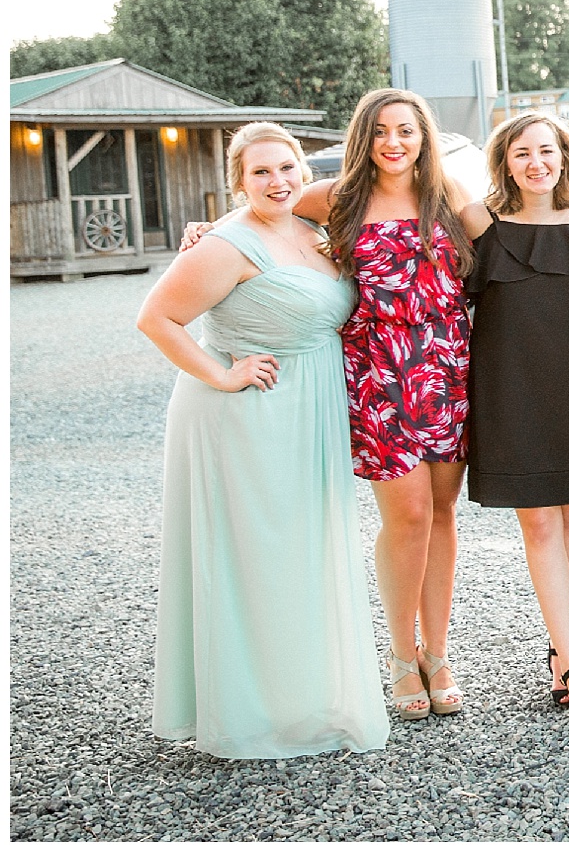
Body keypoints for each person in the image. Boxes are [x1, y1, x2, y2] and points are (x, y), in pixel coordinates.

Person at [182, 89, 475, 720]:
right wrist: (208, 232)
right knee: (409, 515)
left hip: (448, 369)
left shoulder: (447, 196)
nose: (393, 144)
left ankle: (439, 652)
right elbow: (266, 216)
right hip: (377, 376)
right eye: (380, 133)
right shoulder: (335, 197)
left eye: (406, 132)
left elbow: (515, 229)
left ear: (424, 138)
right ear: (362, 140)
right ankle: (400, 658)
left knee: (444, 512)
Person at [140, 123, 388, 758]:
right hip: (249, 414)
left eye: (287, 168)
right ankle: (250, 709)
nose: (278, 181)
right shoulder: (226, 245)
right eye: (261, 172)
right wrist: (223, 374)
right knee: (257, 557)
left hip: (313, 410)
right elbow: (156, 317)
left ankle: (302, 697)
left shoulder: (313, 229)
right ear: (237, 181)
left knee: (304, 552)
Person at [460, 113, 569, 719]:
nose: (536, 162)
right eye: (522, 153)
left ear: (564, 157)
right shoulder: (478, 220)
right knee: (540, 526)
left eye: (546, 151)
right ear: (505, 161)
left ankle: (557, 649)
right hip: (505, 386)